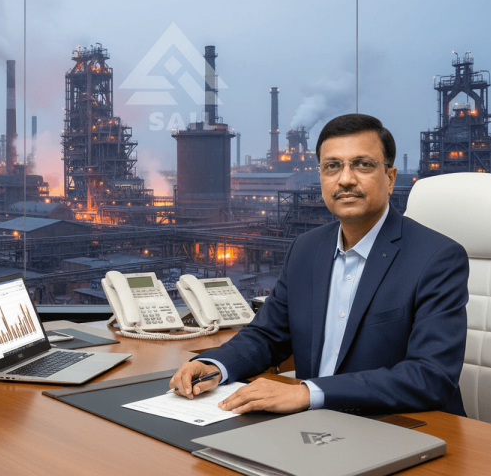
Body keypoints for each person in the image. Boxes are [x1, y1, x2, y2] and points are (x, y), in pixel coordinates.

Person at [169, 113, 469, 416]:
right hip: (316, 425)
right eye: (332, 166)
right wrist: (214, 365)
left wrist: (307, 393)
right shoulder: (306, 249)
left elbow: (430, 376)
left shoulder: (437, 258)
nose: (346, 179)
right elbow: (267, 335)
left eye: (362, 165)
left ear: (390, 178)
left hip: (396, 424)